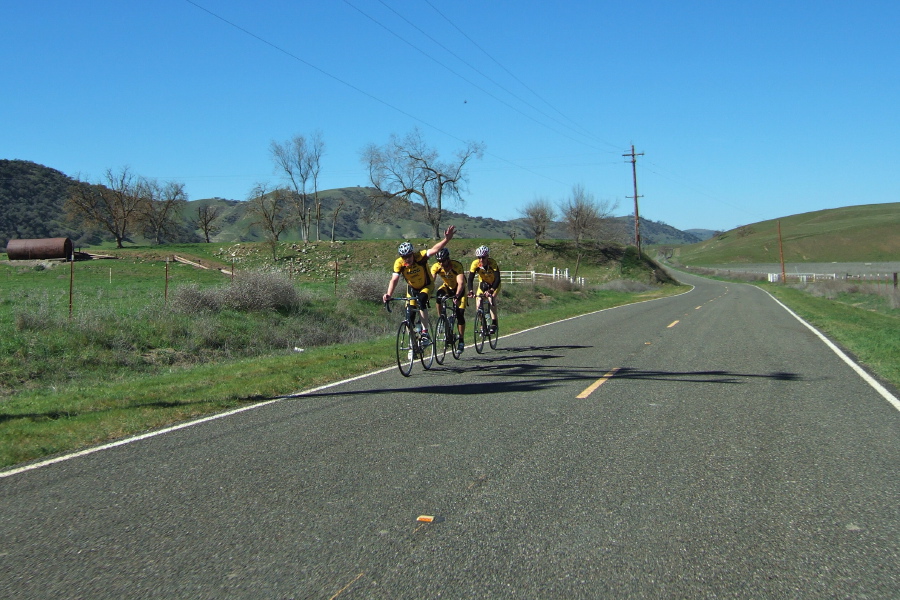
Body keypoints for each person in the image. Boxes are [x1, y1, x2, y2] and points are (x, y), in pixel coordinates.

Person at [383, 225, 457, 344]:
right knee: (409, 318)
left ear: (412, 253)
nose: (407, 259)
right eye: (404, 257)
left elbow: (434, 250)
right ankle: (413, 345)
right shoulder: (399, 263)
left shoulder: (420, 257)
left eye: (409, 256)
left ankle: (425, 333)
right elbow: (394, 280)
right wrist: (388, 294)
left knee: (421, 300)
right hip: (412, 288)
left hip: (426, 286)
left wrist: (446, 240)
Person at [430, 247, 467, 354]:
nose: (441, 263)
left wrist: (457, 296)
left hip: (460, 290)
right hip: (447, 287)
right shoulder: (436, 267)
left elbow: (461, 283)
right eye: (439, 261)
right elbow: (431, 282)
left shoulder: (456, 265)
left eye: (443, 261)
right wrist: (427, 294)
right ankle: (441, 319)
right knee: (438, 295)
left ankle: (461, 340)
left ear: (448, 259)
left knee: (460, 314)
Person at [467, 244, 501, 335]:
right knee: (478, 304)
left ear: (487, 256)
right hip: (483, 284)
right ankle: (483, 325)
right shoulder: (475, 264)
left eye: (483, 257)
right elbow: (470, 279)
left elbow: (498, 279)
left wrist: (491, 290)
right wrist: (470, 291)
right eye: (479, 257)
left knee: (491, 299)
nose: (481, 260)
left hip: (494, 284)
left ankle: (494, 323)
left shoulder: (492, 263)